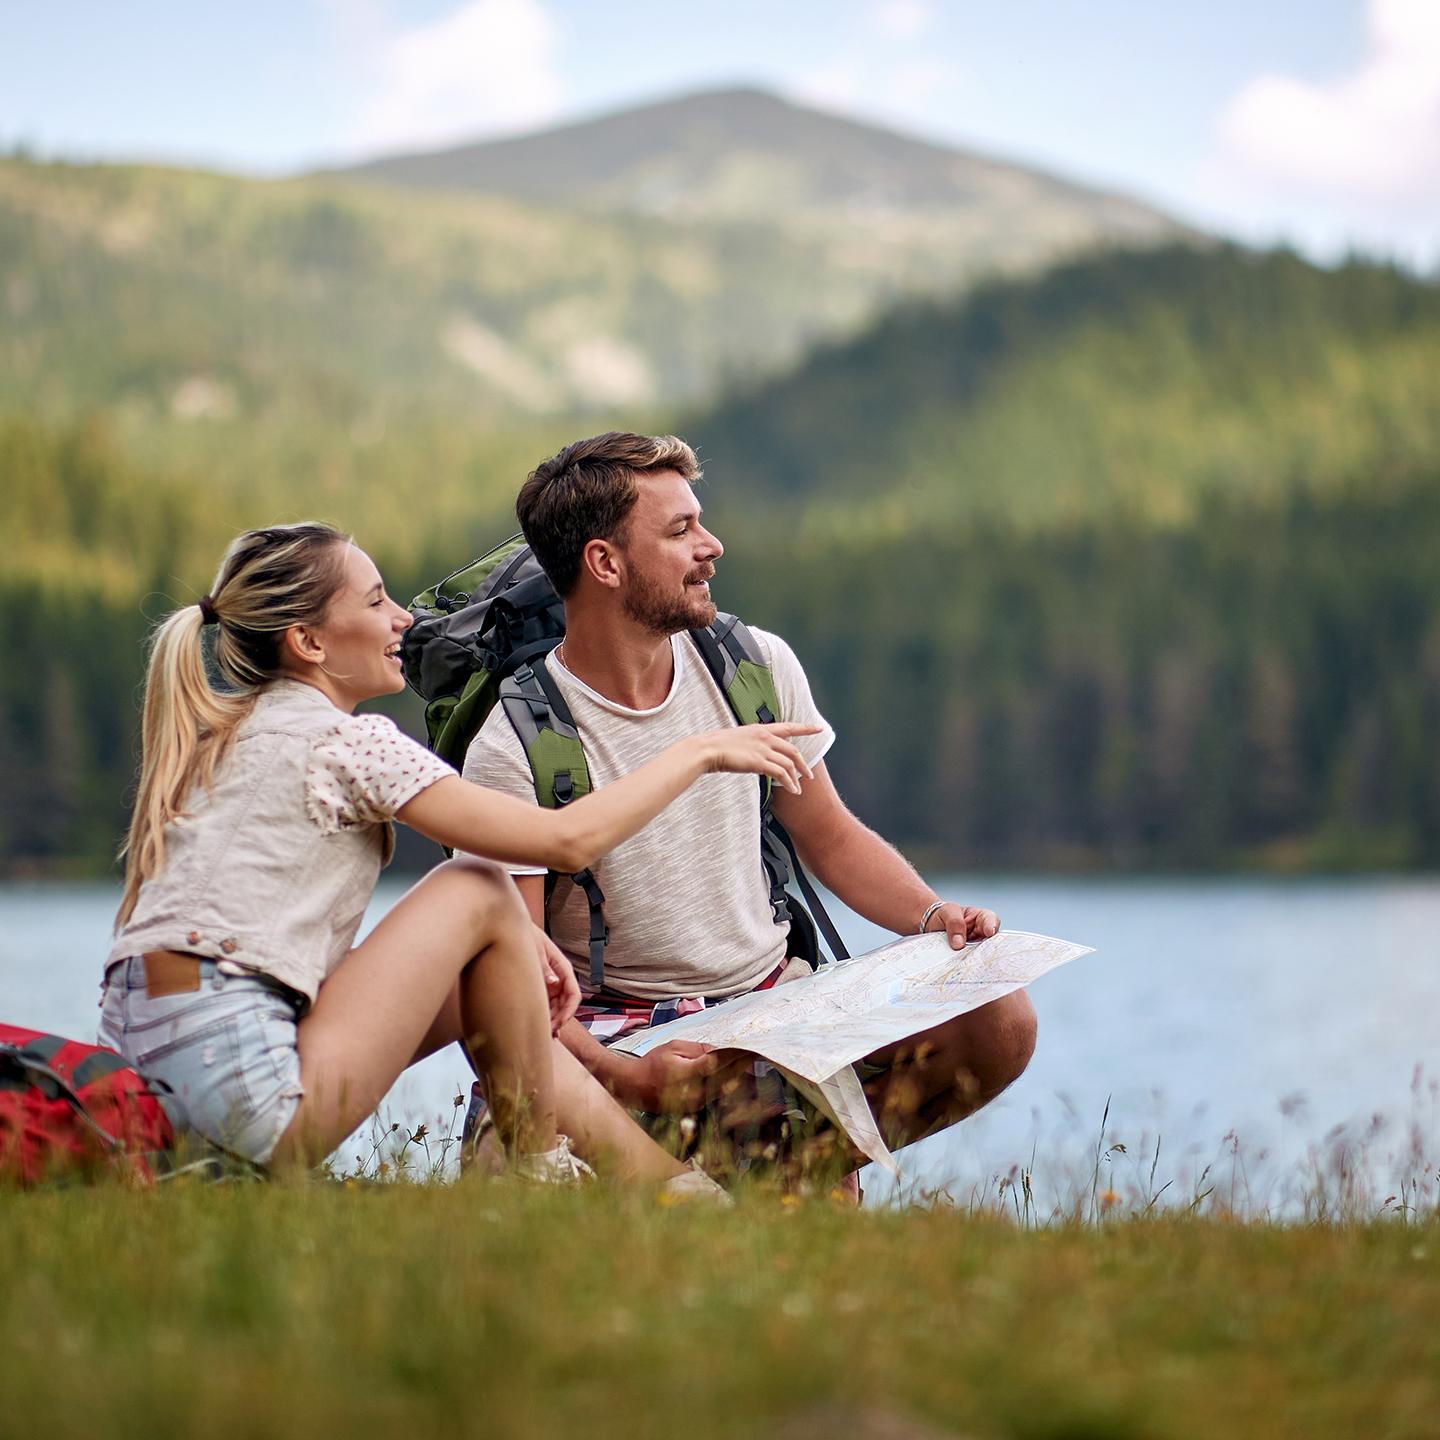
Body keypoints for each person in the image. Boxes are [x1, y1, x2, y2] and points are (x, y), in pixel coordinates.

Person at [101, 521, 817, 1190]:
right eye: (377, 601)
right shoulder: (346, 742)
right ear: (309, 643)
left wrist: (509, 951)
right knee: (475, 884)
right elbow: (564, 839)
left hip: (155, 1098)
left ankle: (660, 1186)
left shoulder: (224, 738)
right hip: (248, 1091)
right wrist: (700, 751)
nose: (403, 621)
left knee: (486, 951)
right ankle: (553, 1170)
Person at [461, 433, 1038, 1184]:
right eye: (680, 532)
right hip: (612, 1034)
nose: (712, 546)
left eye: (701, 521)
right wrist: (626, 1075)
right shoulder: (517, 743)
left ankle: (780, 1172)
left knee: (1001, 1017)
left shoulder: (753, 665)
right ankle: (732, 1173)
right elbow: (511, 984)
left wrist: (934, 920)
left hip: (772, 1009)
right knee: (520, 1175)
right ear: (604, 563)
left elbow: (829, 837)